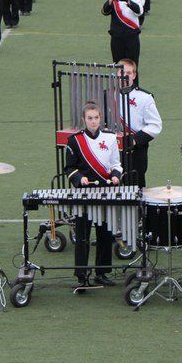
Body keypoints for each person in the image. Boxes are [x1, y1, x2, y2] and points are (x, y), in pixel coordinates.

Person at [64, 101, 122, 289]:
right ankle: (81, 275)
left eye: (96, 118)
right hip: (84, 194)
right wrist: (79, 178)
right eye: (90, 118)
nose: (93, 121)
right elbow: (69, 168)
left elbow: (116, 164)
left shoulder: (111, 138)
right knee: (82, 235)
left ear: (100, 118)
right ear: (84, 119)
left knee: (105, 234)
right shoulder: (75, 141)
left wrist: (115, 176)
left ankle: (102, 272)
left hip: (105, 192)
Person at [114, 59, 162, 187]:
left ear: (134, 75)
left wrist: (135, 139)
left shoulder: (145, 97)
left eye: (129, 73)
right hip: (112, 151)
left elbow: (155, 125)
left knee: (135, 192)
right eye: (122, 72)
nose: (125, 76)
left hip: (135, 151)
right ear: (116, 73)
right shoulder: (107, 95)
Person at [103, 0, 144, 66]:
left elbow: (139, 11)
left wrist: (127, 0)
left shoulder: (135, 0)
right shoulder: (114, 2)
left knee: (132, 66)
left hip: (131, 38)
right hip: (117, 39)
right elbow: (104, 11)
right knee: (118, 66)